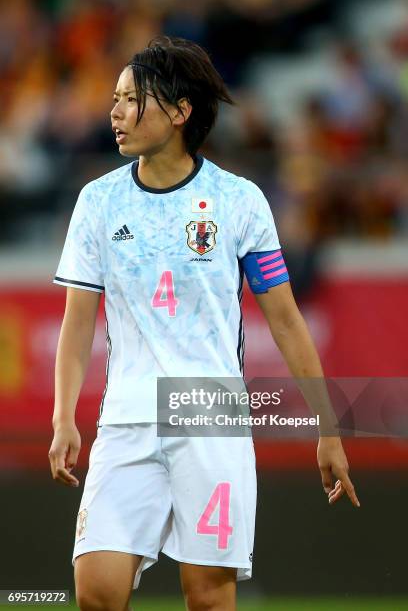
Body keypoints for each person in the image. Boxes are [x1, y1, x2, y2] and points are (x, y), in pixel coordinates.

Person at [48, 36, 360, 611]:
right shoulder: (97, 201)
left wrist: (328, 425)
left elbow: (286, 321)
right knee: (95, 593)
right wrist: (64, 416)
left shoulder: (238, 202)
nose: (113, 112)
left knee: (208, 600)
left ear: (179, 110)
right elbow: (77, 323)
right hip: (127, 418)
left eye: (130, 99)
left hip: (209, 414)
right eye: (113, 99)